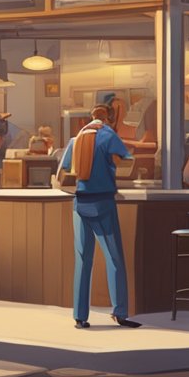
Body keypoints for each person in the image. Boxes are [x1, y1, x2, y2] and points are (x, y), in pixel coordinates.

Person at [53, 104, 139, 329]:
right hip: (103, 204)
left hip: (80, 204)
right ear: (108, 119)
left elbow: (63, 172)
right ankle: (119, 312)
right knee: (114, 258)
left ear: (89, 119)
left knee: (83, 260)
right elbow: (129, 160)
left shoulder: (76, 138)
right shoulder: (108, 135)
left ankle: (80, 316)